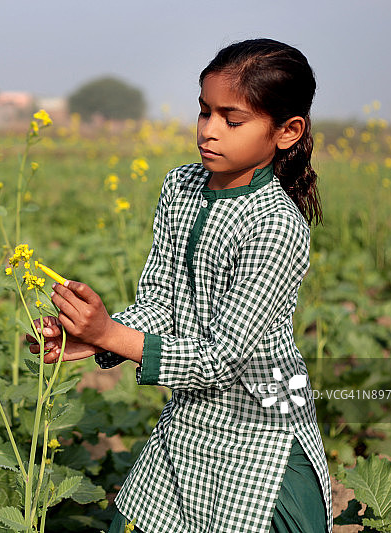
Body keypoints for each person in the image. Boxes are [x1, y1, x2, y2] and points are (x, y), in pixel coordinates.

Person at [27, 38, 332, 532]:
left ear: (287, 132)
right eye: (204, 112)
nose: (208, 132)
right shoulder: (182, 187)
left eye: (232, 121)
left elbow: (221, 359)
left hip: (261, 433)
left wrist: (110, 335)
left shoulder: (276, 224)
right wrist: (88, 336)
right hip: (190, 423)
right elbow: (161, 301)